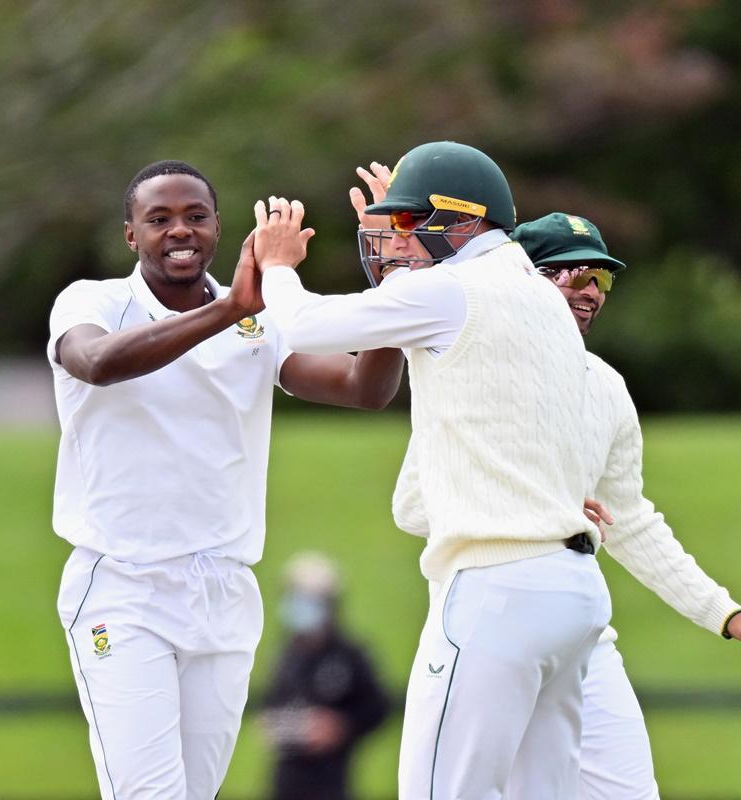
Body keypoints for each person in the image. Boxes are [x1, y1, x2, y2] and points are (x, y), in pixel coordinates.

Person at [253, 140, 612, 799]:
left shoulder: (451, 291)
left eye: (415, 223)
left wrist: (276, 265)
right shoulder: (539, 298)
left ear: (465, 221)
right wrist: (410, 222)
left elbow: (304, 325)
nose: (401, 242)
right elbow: (421, 493)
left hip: (499, 590)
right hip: (575, 591)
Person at [47, 160, 404, 800]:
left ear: (218, 228)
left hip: (224, 592)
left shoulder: (259, 321)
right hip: (123, 586)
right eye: (158, 219)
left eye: (195, 216)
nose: (178, 231)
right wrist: (233, 306)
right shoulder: (92, 301)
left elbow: (364, 388)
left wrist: (395, 279)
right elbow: (96, 364)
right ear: (131, 234)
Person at [508, 212, 741, 798]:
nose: (588, 293)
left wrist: (723, 613)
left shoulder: (605, 387)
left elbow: (629, 520)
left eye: (600, 281)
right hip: (492, 620)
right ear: (523, 278)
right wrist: (551, 504)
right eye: (573, 274)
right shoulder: (478, 372)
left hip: (582, 630)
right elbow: (416, 506)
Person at [260, 552, 391, 800]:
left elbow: (377, 707)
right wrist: (285, 726)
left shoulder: (351, 655)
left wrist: (341, 725)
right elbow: (269, 711)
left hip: (330, 783)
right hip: (285, 782)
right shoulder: (285, 655)